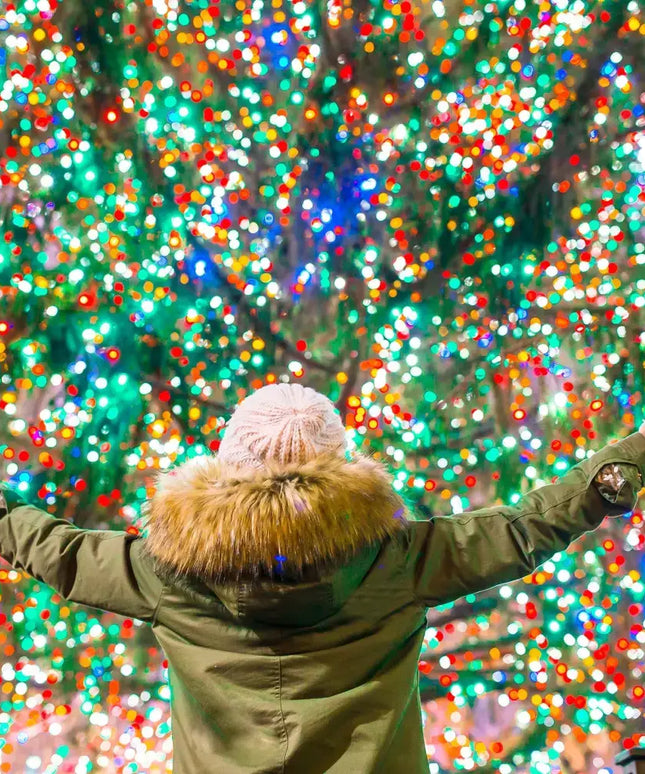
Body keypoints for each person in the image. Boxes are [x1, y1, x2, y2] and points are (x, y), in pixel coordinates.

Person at [1, 382, 644, 774]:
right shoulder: (399, 561)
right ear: (340, 469)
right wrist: (624, 464)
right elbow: (523, 528)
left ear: (228, 468)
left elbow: (57, 550)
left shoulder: (167, 572)